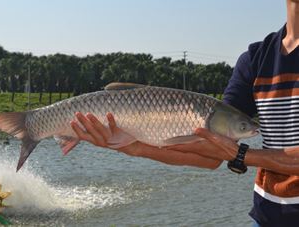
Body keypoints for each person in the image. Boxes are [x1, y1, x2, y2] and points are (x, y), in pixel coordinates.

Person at [70, 0, 299, 226]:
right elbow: (211, 156)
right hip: (268, 215)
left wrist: (241, 156)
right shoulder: (256, 58)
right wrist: (132, 146)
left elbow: (231, 153)